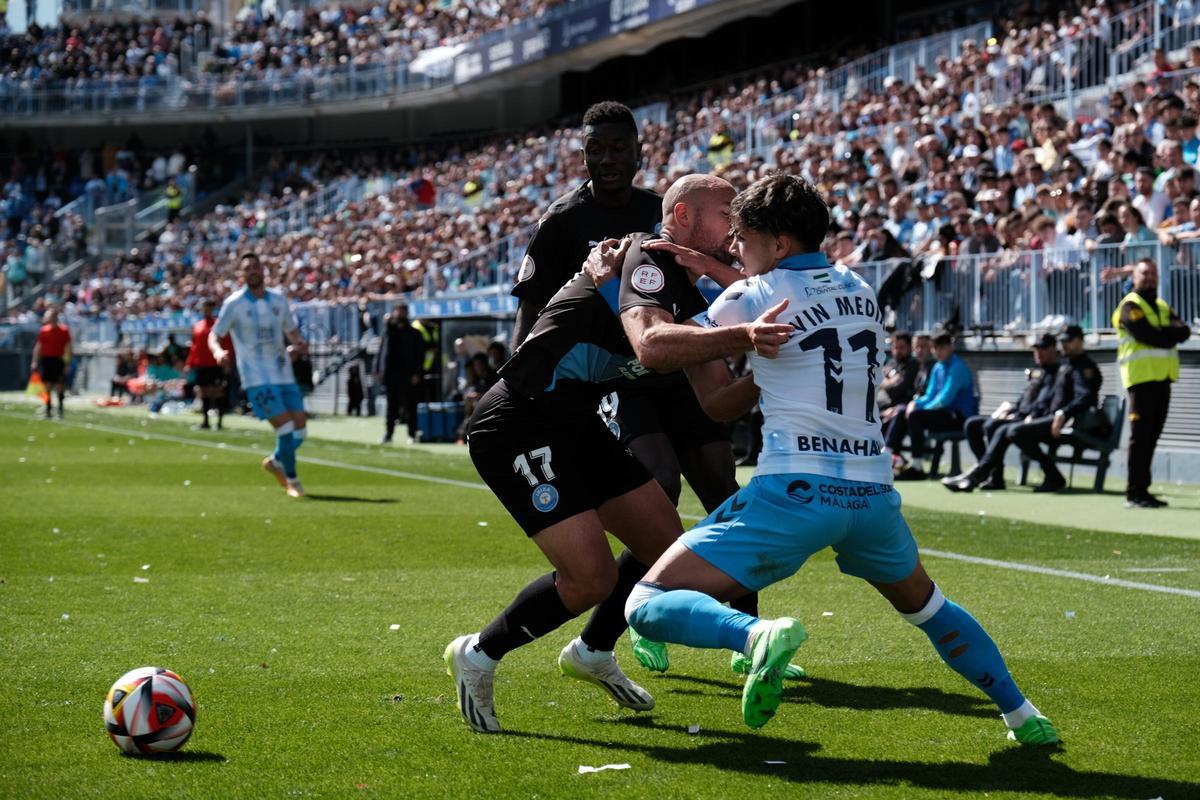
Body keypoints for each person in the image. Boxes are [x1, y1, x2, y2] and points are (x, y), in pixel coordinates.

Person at [621, 173, 1059, 746]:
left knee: (646, 603)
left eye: (744, 237)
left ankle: (754, 638)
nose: (735, 248)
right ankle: (1023, 714)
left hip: (795, 491)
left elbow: (660, 349)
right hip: (873, 493)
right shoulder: (858, 286)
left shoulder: (752, 295)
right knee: (931, 609)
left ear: (777, 243)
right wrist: (717, 273)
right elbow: (794, 304)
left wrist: (637, 302)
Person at [443, 174, 793, 734]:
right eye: (725, 212)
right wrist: (748, 336)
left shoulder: (688, 285)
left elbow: (720, 401)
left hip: (574, 423)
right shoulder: (641, 259)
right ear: (680, 216)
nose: (735, 226)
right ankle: (477, 655)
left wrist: (786, 369)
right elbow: (653, 349)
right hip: (519, 422)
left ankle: (592, 651)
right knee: (591, 579)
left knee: (666, 552)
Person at [509, 101, 758, 677]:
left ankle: (748, 644)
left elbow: (710, 280)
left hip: (679, 367)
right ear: (583, 154)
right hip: (619, 379)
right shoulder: (562, 221)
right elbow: (533, 310)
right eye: (597, 149)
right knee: (659, 486)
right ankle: (616, 632)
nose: (608, 158)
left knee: (725, 491)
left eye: (619, 147)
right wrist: (518, 382)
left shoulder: (663, 212)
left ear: (640, 150)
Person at [209, 253, 310, 498]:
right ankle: (292, 481)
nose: (253, 271)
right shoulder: (234, 303)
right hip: (256, 377)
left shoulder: (278, 299)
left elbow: (291, 330)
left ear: (263, 270)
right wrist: (218, 351)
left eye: (256, 267)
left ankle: (275, 461)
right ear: (241, 274)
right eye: (247, 268)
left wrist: (299, 344)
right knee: (285, 427)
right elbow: (215, 334)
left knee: (301, 430)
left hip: (283, 371)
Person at [1113, 259, 1191, 508]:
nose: (1149, 277)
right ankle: (1134, 492)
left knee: (1152, 436)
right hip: (1140, 379)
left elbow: (1184, 331)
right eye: (1144, 273)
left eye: (1153, 273)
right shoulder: (1130, 305)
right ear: (1134, 276)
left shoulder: (1160, 305)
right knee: (1140, 437)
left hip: (1162, 379)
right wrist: (1167, 335)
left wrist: (1165, 335)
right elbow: (1146, 334)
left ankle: (1142, 490)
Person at [942, 333, 1060, 491]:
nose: (1038, 353)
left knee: (995, 426)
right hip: (1019, 416)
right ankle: (991, 473)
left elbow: (1047, 403)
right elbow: (1025, 400)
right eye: (1036, 349)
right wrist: (1011, 410)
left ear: (1053, 350)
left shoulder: (1059, 374)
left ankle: (982, 474)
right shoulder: (1039, 374)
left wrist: (1029, 415)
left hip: (1035, 421)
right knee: (972, 424)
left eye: (1043, 349)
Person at [1011, 325, 1104, 493]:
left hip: (1072, 423)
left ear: (1080, 341)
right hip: (1055, 419)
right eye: (1062, 341)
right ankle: (989, 471)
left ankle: (1053, 476)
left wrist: (1064, 413)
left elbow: (1086, 397)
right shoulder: (1066, 366)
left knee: (1016, 432)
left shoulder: (1085, 367)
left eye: (1068, 341)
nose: (1064, 345)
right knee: (1009, 429)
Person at [884, 332, 978, 480]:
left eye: (943, 348)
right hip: (942, 413)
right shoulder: (938, 367)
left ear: (950, 347)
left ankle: (917, 466)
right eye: (936, 348)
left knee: (915, 415)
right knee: (906, 412)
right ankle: (889, 456)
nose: (939, 352)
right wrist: (914, 403)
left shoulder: (957, 367)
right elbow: (930, 395)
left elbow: (944, 399)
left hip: (959, 417)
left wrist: (920, 409)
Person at [374, 304, 426, 444]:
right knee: (391, 407)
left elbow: (420, 356)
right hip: (391, 375)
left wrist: (417, 373)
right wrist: (378, 369)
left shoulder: (414, 334)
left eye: (401, 312)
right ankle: (389, 434)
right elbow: (381, 353)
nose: (399, 315)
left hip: (407, 375)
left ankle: (411, 434)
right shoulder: (389, 333)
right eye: (397, 312)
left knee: (409, 406)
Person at [185, 299, 229, 431]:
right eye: (204, 308)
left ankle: (220, 422)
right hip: (201, 364)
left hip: (216, 363)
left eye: (208, 308)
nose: (206, 311)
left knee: (218, 392)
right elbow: (194, 347)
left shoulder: (219, 325)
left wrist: (227, 361)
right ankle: (205, 422)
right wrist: (189, 363)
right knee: (203, 392)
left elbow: (226, 344)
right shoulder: (198, 326)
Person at [31, 307, 71, 419]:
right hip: (46, 360)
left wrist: (67, 363)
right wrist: (34, 361)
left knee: (59, 386)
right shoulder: (44, 330)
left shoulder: (63, 330)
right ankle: (48, 409)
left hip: (58, 360)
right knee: (46, 386)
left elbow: (68, 348)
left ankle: (60, 410)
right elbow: (38, 347)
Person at [875, 331, 921, 421]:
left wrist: (884, 383)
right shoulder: (891, 362)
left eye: (902, 347)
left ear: (910, 348)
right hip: (879, 405)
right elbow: (876, 380)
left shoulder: (912, 365)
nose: (898, 351)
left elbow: (896, 391)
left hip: (896, 407)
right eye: (895, 347)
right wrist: (890, 382)